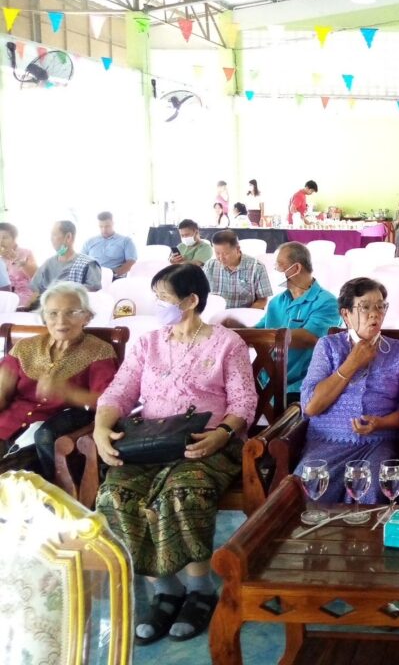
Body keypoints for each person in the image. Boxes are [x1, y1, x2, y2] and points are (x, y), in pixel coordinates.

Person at [92, 263, 257, 646]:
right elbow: (119, 391)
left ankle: (200, 589)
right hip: (151, 442)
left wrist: (222, 435)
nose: (157, 304)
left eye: (163, 297)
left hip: (205, 443)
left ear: (191, 300)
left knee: (182, 492)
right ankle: (165, 589)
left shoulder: (226, 343)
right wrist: (101, 427)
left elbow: (243, 402)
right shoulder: (148, 343)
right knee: (115, 495)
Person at [299, 277, 399, 504]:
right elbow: (310, 406)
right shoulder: (328, 346)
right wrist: (351, 364)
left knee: (376, 486)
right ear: (346, 315)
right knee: (308, 486)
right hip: (327, 442)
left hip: (378, 443)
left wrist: (380, 423)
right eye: (365, 307)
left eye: (380, 307)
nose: (375, 314)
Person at [0, 282, 118, 479]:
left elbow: (108, 402)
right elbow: (2, 394)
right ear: (43, 317)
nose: (61, 321)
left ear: (87, 316)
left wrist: (68, 392)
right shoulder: (24, 347)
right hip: (6, 428)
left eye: (72, 312)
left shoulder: (99, 351)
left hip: (49, 439)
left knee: (12, 480)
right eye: (53, 313)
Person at [228, 243, 338, 404]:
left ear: (296, 268)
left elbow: (309, 338)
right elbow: (259, 333)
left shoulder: (327, 302)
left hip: (302, 387)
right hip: (266, 381)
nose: (275, 270)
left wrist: (260, 336)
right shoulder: (277, 302)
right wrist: (238, 330)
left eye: (279, 265)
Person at [29, 221, 102, 306]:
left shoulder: (88, 264)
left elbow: (92, 293)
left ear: (68, 237)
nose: (51, 239)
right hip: (47, 310)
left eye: (54, 235)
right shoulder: (48, 263)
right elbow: (36, 291)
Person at [203, 231, 272, 310]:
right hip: (216, 312)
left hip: (244, 313)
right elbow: (201, 293)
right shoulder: (210, 266)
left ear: (237, 249)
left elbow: (262, 300)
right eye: (217, 253)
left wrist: (244, 314)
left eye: (225, 253)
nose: (221, 258)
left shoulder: (257, 267)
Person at [83, 211, 137, 279]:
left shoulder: (126, 241)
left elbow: (131, 262)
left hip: (113, 277)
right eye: (101, 226)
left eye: (107, 226)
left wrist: (113, 275)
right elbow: (81, 260)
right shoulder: (89, 241)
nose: (104, 230)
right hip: (91, 277)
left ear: (113, 224)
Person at [0, 222, 37, 307]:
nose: (1, 241)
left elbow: (36, 276)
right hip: (3, 300)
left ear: (14, 238)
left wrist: (17, 259)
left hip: (25, 299)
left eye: (5, 237)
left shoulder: (26, 253)